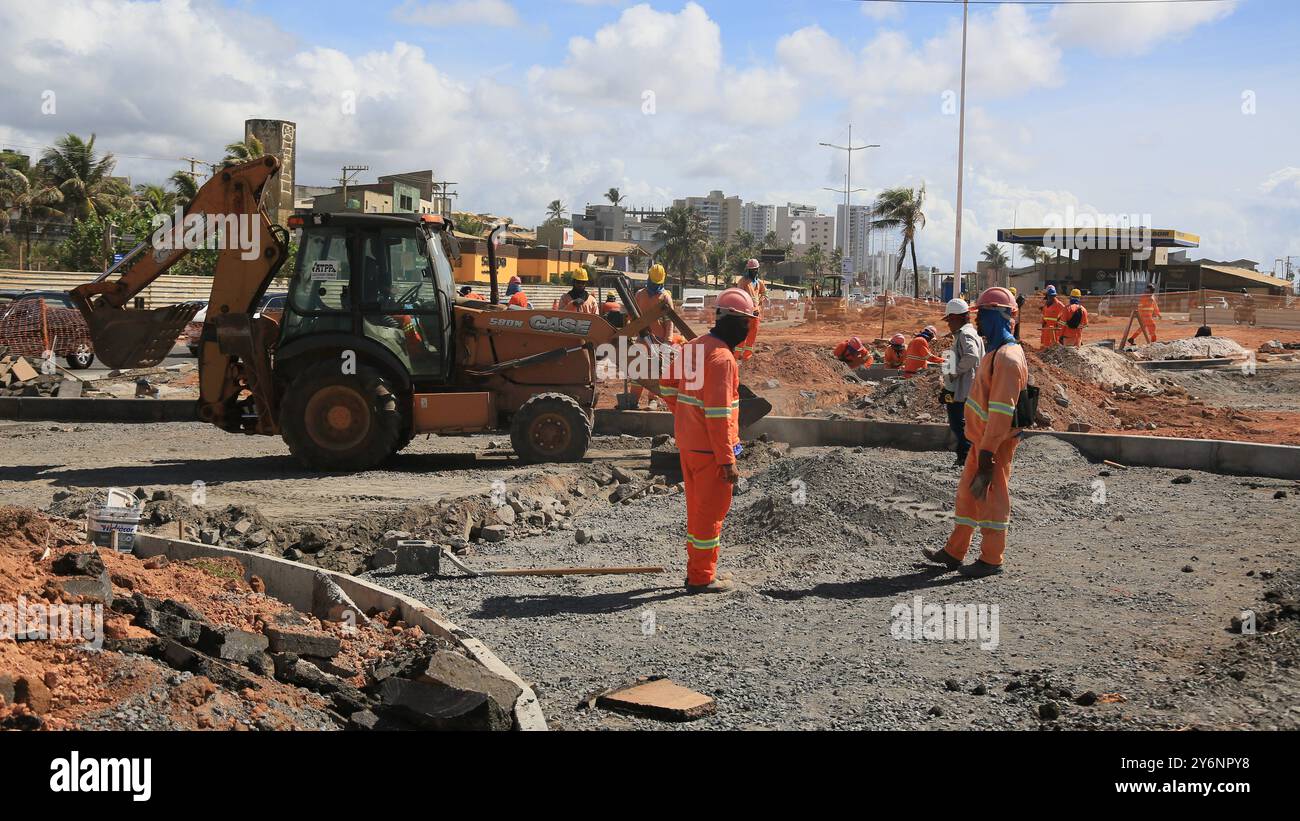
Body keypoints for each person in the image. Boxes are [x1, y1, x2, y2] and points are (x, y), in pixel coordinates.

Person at [922, 286, 1028, 577]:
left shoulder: (1007, 358)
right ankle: (954, 551)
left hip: (992, 445)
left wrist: (988, 453)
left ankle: (991, 559)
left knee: (992, 499)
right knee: (968, 496)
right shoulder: (996, 352)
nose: (976, 320)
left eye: (982, 314)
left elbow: (1001, 413)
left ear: (998, 316)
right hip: (981, 442)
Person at [656, 287, 756, 593]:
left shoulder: (694, 347)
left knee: (697, 512)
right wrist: (728, 460)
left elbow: (668, 387)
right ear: (737, 322)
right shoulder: (723, 360)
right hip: (711, 452)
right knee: (710, 516)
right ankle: (701, 578)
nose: (748, 329)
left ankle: (698, 571)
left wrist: (687, 417)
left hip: (689, 445)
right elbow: (718, 416)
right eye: (747, 323)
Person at [940, 298, 985, 467]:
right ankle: (964, 456)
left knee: (958, 422)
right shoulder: (969, 333)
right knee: (960, 422)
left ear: (957, 317)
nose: (949, 324)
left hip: (964, 390)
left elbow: (971, 356)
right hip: (962, 388)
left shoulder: (965, 334)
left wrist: (954, 371)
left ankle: (966, 457)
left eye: (949, 320)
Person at [733, 258, 766, 361]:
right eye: (752, 270)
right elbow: (739, 296)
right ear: (748, 270)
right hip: (745, 314)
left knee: (752, 335)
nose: (754, 271)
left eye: (755, 269)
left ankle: (747, 356)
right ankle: (736, 355)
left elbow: (764, 292)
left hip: (755, 314)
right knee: (742, 335)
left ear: (758, 269)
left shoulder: (759, 282)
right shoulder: (743, 281)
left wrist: (761, 300)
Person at [634, 264, 675, 341]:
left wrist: (668, 340)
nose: (654, 285)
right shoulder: (640, 294)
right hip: (644, 337)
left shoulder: (665, 297)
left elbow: (669, 321)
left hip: (657, 339)